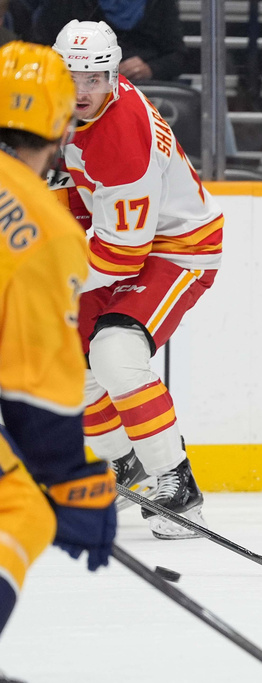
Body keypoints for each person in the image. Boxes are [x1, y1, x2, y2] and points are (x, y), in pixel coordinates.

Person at [50, 19, 222, 539]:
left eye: (94, 79)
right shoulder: (56, 99)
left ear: (114, 73)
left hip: (177, 248)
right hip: (113, 236)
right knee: (68, 356)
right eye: (71, 77)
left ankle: (178, 485)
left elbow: (124, 255)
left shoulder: (123, 140)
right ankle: (123, 464)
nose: (81, 92)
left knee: (115, 356)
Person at [0, 40, 116, 647]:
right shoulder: (44, 227)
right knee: (19, 506)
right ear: (61, 122)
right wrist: (72, 482)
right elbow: (33, 388)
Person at [31, 0, 186, 82]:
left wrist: (150, 69)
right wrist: (83, 66)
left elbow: (178, 56)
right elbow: (43, 50)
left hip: (143, 89)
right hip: (78, 85)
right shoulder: (65, 3)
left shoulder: (160, 2)